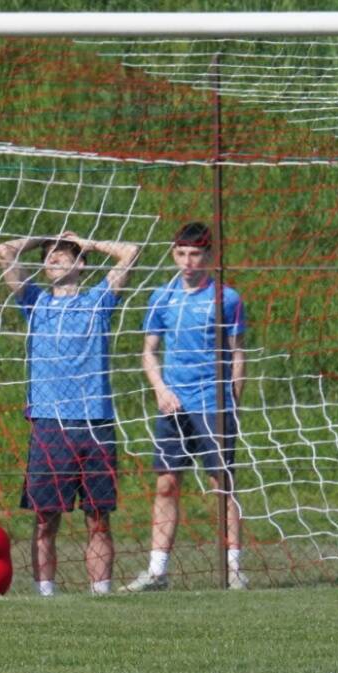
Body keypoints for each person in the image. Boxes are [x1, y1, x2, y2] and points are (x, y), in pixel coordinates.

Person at [0, 232, 140, 596]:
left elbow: (130, 252)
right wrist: (45, 238)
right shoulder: (35, 303)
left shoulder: (98, 302)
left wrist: (89, 243)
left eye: (62, 254)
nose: (53, 259)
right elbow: (5, 250)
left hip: (95, 424)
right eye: (49, 256)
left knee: (98, 520)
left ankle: (101, 594)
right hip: (49, 425)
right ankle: (46, 595)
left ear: (81, 265)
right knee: (45, 520)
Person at [127, 221, 247, 592]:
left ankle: (234, 568)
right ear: (173, 253)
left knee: (221, 484)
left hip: (213, 404)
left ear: (209, 256)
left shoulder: (227, 298)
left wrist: (232, 403)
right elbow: (148, 352)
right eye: (182, 254)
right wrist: (160, 389)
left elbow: (237, 354)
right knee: (166, 485)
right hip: (173, 407)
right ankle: (157, 571)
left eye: (196, 254)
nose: (188, 261)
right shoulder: (160, 297)